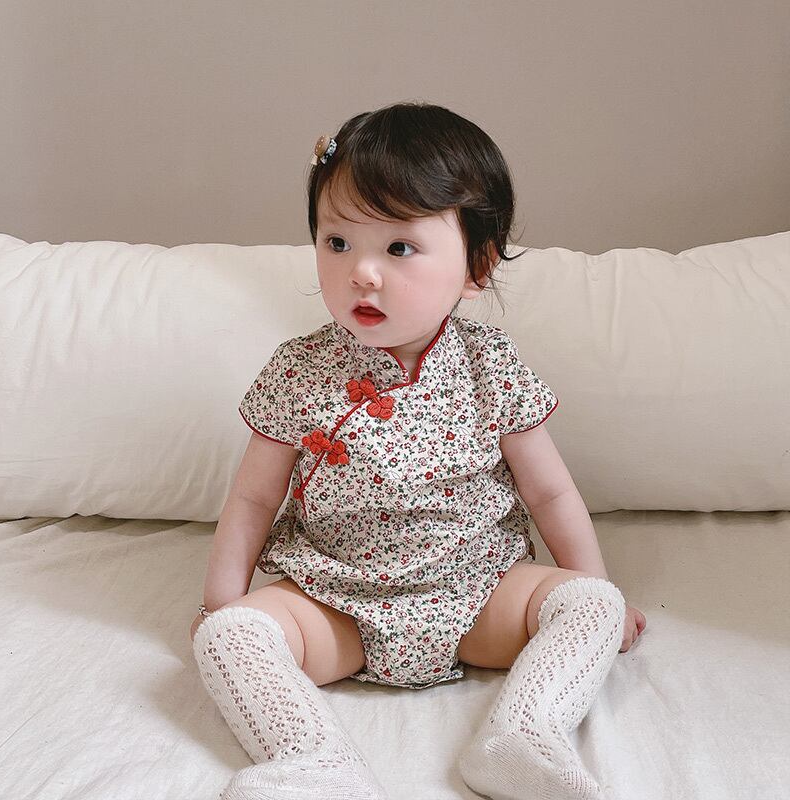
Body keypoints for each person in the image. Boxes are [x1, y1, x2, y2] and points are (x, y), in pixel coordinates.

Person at [190, 101, 646, 800]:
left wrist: (596, 583)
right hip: (334, 602)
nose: (362, 273)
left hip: (480, 594)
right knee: (227, 637)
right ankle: (314, 760)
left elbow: (549, 491)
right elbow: (254, 498)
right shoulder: (298, 370)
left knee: (592, 604)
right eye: (338, 242)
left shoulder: (489, 365)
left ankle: (523, 736)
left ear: (476, 266)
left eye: (398, 248)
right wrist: (223, 601)